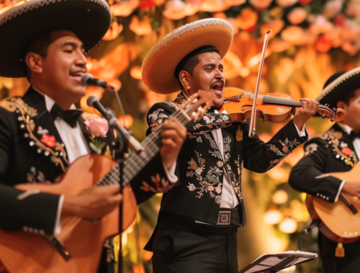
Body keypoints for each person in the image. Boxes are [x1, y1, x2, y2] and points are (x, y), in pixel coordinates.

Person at [0, 0, 186, 272]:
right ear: (35, 62)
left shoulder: (100, 126)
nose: (83, 60)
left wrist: (166, 160)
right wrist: (70, 205)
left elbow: (122, 195)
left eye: (83, 51)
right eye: (69, 50)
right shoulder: (9, 117)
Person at [137, 18, 319, 273]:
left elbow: (259, 160)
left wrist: (297, 124)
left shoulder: (233, 119)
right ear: (187, 79)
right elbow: (178, 129)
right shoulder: (165, 112)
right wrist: (229, 115)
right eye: (210, 68)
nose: (220, 74)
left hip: (227, 236)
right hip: (185, 239)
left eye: (221, 68)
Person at [289, 68, 360, 273]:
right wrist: (345, 186)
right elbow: (299, 175)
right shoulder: (324, 144)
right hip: (347, 246)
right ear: (341, 108)